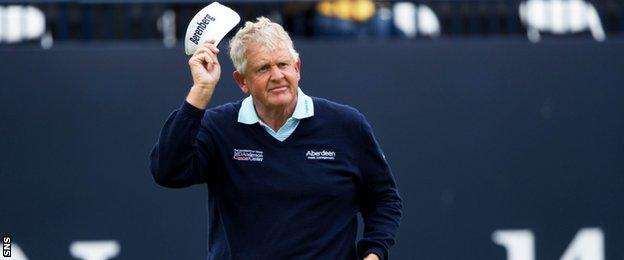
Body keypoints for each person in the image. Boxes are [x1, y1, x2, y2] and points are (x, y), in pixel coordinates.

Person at [150, 17, 402, 260]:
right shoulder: (219, 127)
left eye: (283, 65)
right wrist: (201, 91)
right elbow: (168, 171)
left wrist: (374, 253)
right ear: (242, 81)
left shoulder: (346, 124)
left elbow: (384, 199)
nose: (277, 76)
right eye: (263, 68)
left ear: (297, 68)